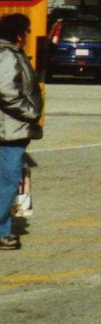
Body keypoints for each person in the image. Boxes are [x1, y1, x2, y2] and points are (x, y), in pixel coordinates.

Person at [0, 13, 44, 251]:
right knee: (7, 183)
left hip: (9, 128)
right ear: (18, 34)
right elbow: (6, 90)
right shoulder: (7, 55)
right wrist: (31, 112)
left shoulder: (8, 53)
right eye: (26, 31)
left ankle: (3, 233)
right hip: (9, 131)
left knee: (5, 182)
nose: (28, 35)